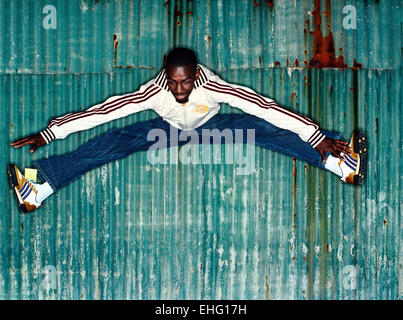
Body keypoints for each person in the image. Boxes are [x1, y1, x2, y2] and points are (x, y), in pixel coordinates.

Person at [8, 47, 367, 213]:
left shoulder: (213, 86)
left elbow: (261, 104)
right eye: (174, 83)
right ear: (166, 74)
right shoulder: (155, 91)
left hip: (213, 125)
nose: (180, 91)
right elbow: (105, 111)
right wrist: (53, 131)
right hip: (167, 129)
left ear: (196, 74)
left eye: (186, 83)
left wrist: (314, 134)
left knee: (261, 127)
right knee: (111, 142)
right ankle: (40, 186)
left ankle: (341, 164)